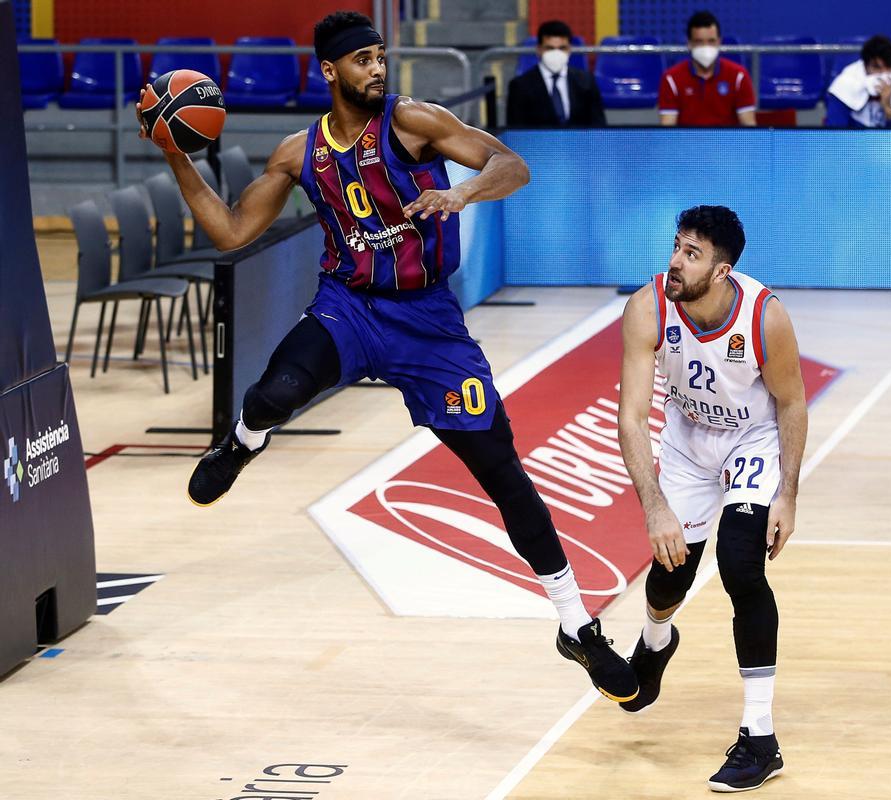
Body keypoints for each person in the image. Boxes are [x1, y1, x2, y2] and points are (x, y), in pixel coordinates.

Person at [135, 11, 637, 701]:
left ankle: (575, 625)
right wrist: (175, 155)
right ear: (330, 71)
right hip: (350, 308)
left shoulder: (415, 121)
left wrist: (460, 190)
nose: (378, 68)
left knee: (502, 474)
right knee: (274, 393)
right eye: (364, 59)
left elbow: (511, 163)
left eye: (380, 56)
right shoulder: (297, 152)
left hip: (429, 324)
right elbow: (228, 230)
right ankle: (244, 442)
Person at [617, 206, 808, 792]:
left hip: (752, 439)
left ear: (722, 271)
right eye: (676, 245)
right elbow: (631, 414)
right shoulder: (647, 306)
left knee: (741, 569)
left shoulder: (765, 317)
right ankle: (655, 644)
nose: (675, 260)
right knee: (671, 573)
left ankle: (760, 735)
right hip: (685, 442)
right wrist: (654, 507)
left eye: (692, 253)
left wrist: (789, 496)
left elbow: (793, 404)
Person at [658, 10, 756, 127]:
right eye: (699, 42)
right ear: (689, 44)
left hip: (726, 143)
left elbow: (749, 127)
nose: (706, 47)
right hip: (687, 143)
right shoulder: (671, 79)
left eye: (711, 41)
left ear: (719, 42)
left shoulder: (739, 76)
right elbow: (667, 130)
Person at [506, 20, 606, 127]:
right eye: (550, 48)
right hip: (539, 143)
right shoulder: (520, 86)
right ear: (539, 49)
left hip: (578, 142)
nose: (556, 53)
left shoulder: (587, 81)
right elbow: (516, 132)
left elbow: (599, 126)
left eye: (562, 48)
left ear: (569, 49)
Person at [826, 34, 891, 128]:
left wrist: (887, 107)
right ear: (865, 66)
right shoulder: (845, 85)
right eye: (876, 67)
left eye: (888, 68)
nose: (883, 74)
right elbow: (834, 133)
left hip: (889, 142)